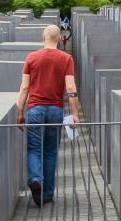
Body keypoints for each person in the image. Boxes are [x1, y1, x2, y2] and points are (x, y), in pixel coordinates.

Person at [16, 24, 81, 207]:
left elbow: (24, 88)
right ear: (60, 39)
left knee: (35, 149)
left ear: (43, 37)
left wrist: (20, 112)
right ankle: (47, 194)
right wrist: (75, 114)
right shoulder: (66, 58)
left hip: (35, 109)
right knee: (51, 151)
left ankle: (35, 178)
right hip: (55, 110)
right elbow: (70, 88)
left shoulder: (31, 57)